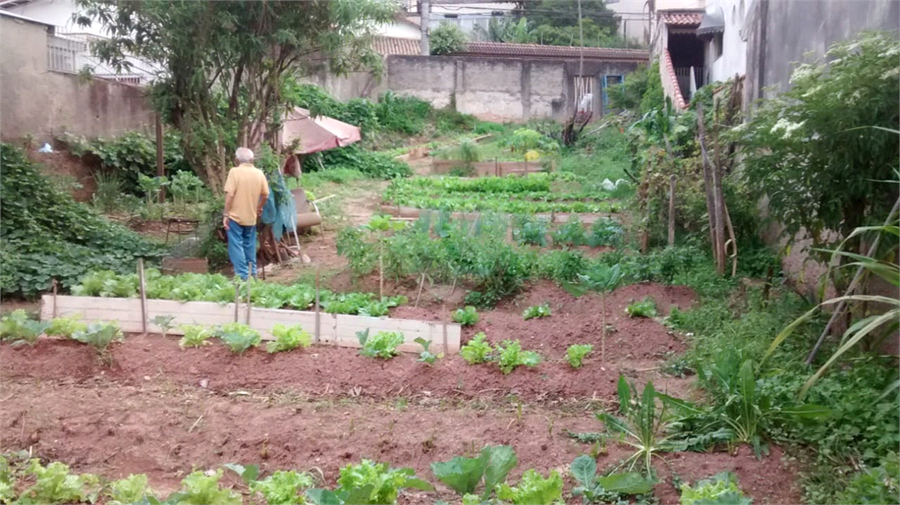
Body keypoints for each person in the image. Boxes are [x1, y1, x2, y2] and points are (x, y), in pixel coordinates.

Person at [223, 147, 270, 281]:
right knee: (249, 245)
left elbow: (230, 194)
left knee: (236, 245)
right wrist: (258, 207)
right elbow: (265, 195)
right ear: (252, 159)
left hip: (235, 216)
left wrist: (225, 214)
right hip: (251, 217)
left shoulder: (234, 172)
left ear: (237, 160)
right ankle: (253, 274)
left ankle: (243, 277)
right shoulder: (259, 173)